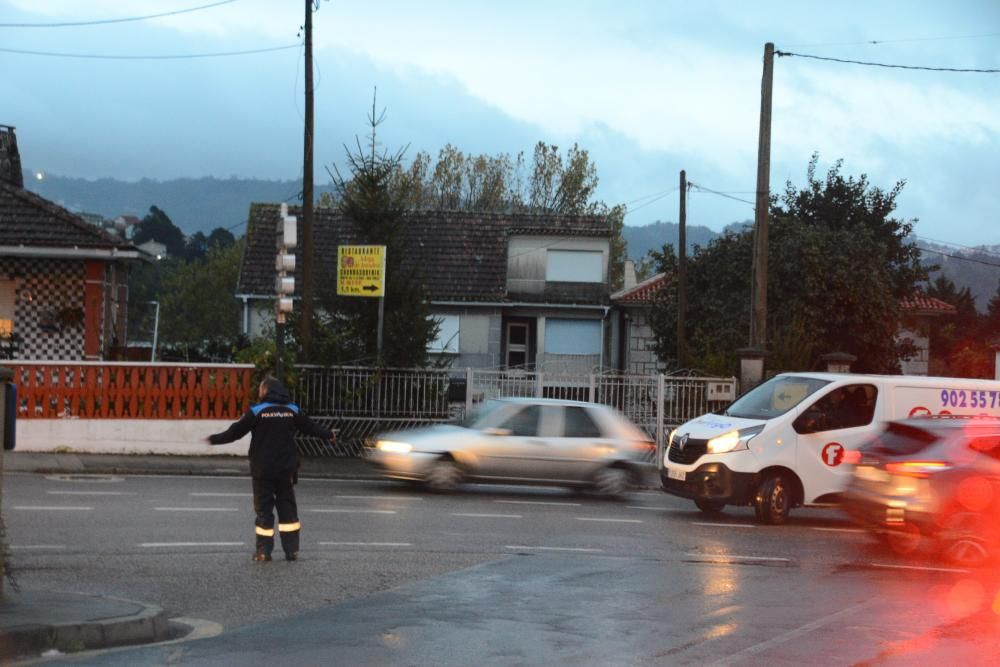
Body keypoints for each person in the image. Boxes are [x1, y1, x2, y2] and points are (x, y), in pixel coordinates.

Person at [207, 376, 335, 562]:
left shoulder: (257, 411)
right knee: (288, 509)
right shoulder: (293, 410)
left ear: (265, 391)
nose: (258, 393)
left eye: (260, 389)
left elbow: (234, 433)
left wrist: (213, 440)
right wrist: (329, 434)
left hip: (263, 470)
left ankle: (263, 552)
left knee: (264, 511)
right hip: (286, 470)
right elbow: (311, 428)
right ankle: (292, 552)